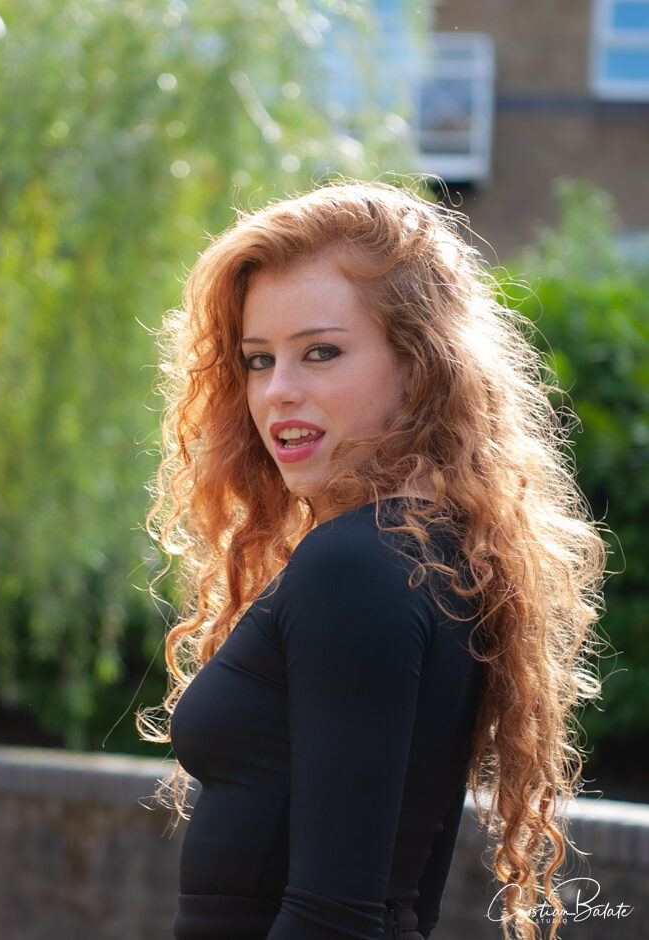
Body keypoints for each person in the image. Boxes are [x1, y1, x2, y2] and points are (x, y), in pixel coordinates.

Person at [139, 181, 606, 940]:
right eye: (258, 360)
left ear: (420, 365)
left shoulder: (357, 565)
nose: (278, 392)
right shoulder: (427, 552)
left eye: (320, 352)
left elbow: (334, 918)